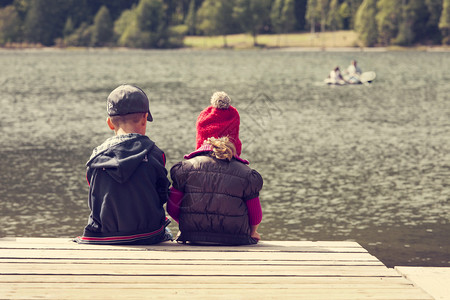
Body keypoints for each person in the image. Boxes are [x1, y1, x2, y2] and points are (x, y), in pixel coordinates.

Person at [75, 84, 172, 245]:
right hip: (148, 234)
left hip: (104, 235)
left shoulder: (96, 156)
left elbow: (94, 194)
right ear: (144, 119)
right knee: (166, 228)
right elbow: (162, 194)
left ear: (110, 123)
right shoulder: (155, 153)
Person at [167, 91, 263, 245]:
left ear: (200, 136)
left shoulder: (185, 169)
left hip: (192, 236)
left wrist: (187, 224)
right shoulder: (246, 175)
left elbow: (172, 207)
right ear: (235, 138)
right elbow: (255, 215)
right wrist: (253, 232)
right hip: (236, 239)